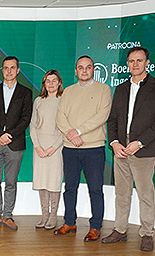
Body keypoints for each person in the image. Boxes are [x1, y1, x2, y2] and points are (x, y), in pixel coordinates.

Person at [102, 46, 155, 251]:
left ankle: (147, 233)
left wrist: (139, 143)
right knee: (122, 193)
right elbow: (112, 119)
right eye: (131, 61)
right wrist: (114, 143)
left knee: (145, 193)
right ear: (127, 64)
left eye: (139, 61)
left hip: (144, 149)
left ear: (147, 63)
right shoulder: (121, 89)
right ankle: (120, 230)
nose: (135, 64)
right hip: (120, 148)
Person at [55, 55, 112, 241]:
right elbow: (60, 117)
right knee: (70, 187)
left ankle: (95, 226)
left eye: (88, 67)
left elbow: (102, 115)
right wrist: (72, 135)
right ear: (76, 71)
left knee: (95, 189)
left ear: (93, 69)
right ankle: (69, 222)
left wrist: (78, 131)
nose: (84, 70)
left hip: (93, 148)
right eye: (81, 67)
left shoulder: (104, 90)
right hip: (70, 148)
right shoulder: (68, 91)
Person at [0, 56, 32, 230]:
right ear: (2, 70)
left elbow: (26, 118)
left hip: (14, 143)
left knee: (11, 182)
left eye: (12, 68)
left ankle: (8, 216)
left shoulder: (26, 93)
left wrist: (9, 135)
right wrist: (0, 134)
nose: (9, 71)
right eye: (5, 68)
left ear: (18, 70)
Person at [29, 70, 64, 230]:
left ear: (59, 83)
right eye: (47, 81)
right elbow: (33, 124)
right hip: (40, 147)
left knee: (54, 182)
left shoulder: (64, 101)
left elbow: (66, 128)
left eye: (53, 80)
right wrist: (37, 146)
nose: (50, 83)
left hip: (56, 147)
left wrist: (53, 147)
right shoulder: (38, 101)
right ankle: (44, 215)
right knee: (42, 181)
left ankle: (53, 216)